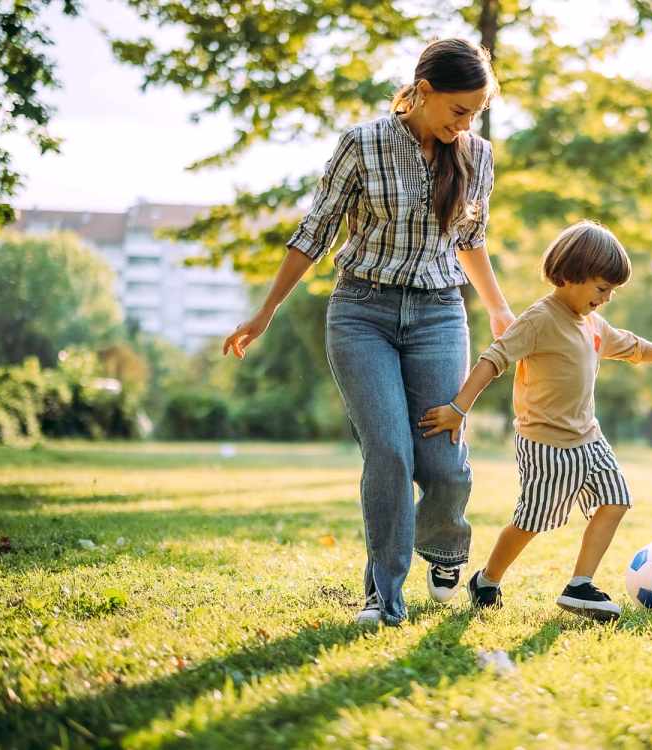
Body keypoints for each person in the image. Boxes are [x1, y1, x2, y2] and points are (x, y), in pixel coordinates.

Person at [222, 39, 515, 627]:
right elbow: (315, 232)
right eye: (459, 111)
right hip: (363, 313)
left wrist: (499, 311)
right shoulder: (363, 144)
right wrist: (266, 311)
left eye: (476, 113)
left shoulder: (476, 154)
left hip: (437, 313)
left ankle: (444, 547)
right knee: (387, 451)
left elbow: (470, 240)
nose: (466, 124)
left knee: (444, 463)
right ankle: (384, 597)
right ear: (423, 92)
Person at [418, 220, 652, 622]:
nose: (606, 299)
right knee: (531, 521)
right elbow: (493, 359)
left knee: (616, 500)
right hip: (545, 444)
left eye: (611, 291)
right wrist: (459, 408)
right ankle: (486, 579)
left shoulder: (592, 324)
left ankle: (579, 585)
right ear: (571, 274)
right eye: (601, 288)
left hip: (589, 437)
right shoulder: (540, 319)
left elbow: (634, 347)